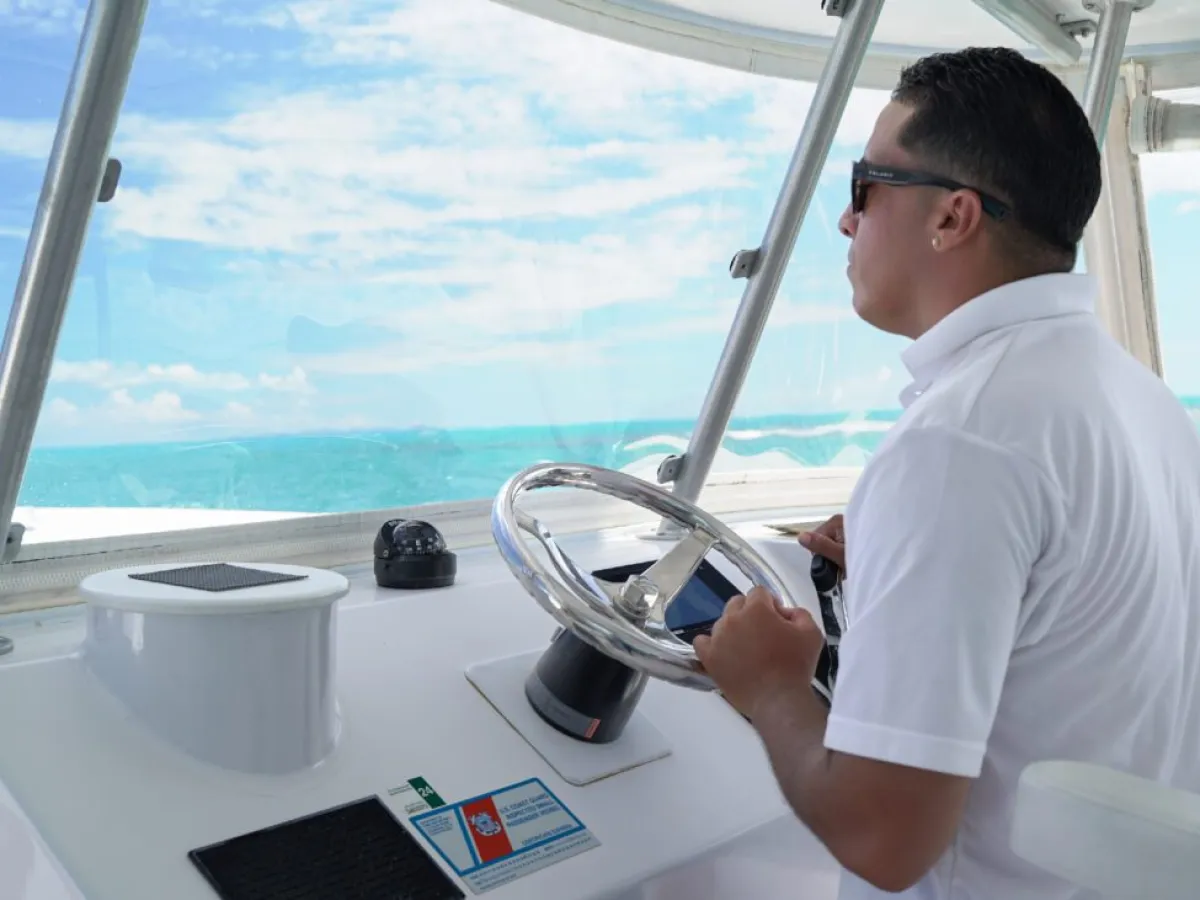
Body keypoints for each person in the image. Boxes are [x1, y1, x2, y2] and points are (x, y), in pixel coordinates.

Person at [693, 46, 1200, 899]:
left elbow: (885, 839)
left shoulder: (958, 444)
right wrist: (907, 570)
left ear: (952, 217)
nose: (848, 222)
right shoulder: (1144, 402)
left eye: (864, 186)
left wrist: (772, 687)